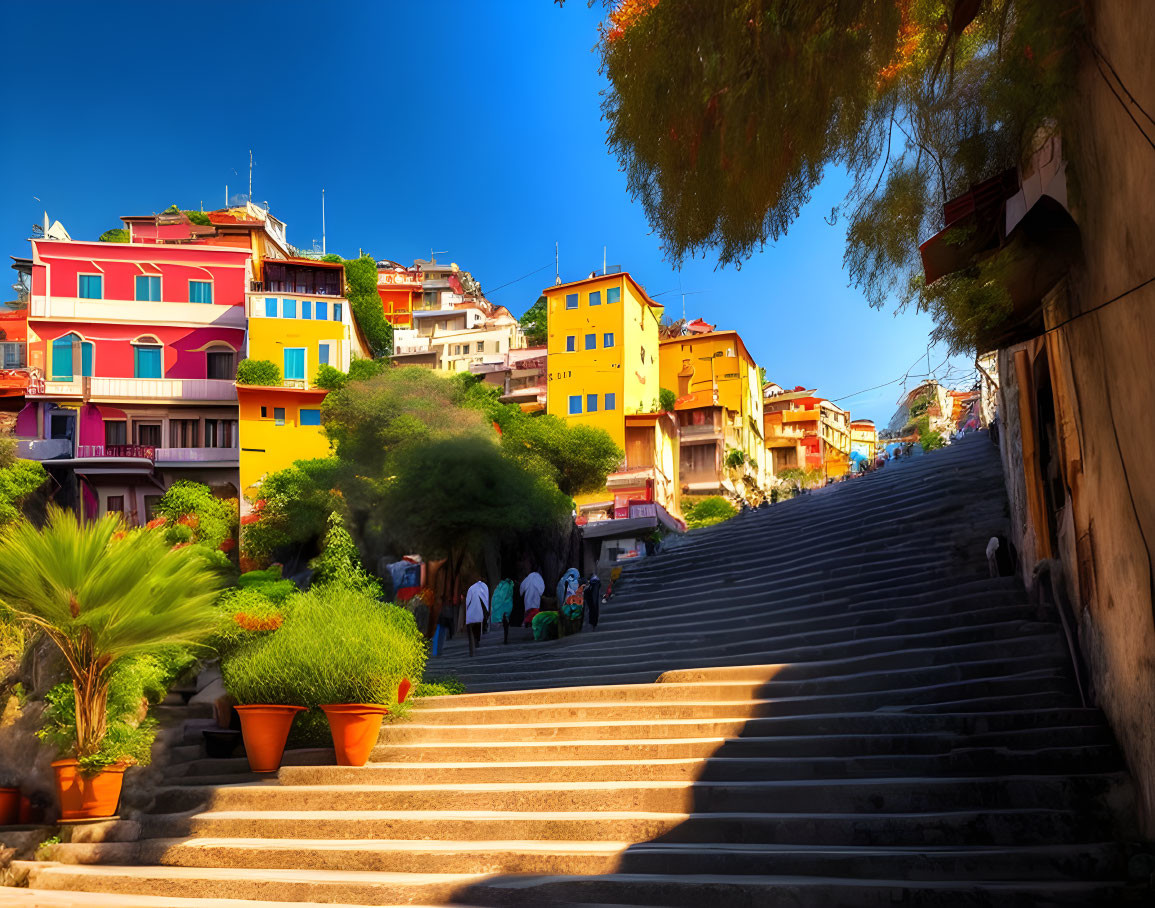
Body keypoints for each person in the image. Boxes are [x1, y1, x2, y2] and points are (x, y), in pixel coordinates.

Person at [464, 576, 489, 657]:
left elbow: (468, 600)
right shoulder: (484, 587)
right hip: (481, 610)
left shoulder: (471, 588)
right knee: (478, 625)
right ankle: (477, 639)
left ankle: (475, 640)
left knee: (474, 626)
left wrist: (467, 608)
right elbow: (486, 598)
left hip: (473, 610)